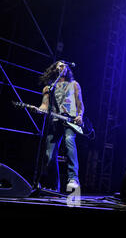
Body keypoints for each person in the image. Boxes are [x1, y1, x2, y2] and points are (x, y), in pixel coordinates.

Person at [35, 60, 84, 192]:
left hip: (70, 121)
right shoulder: (48, 88)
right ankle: (53, 185)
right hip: (54, 121)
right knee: (49, 154)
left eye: (65, 66)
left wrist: (80, 115)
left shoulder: (74, 84)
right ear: (55, 69)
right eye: (60, 65)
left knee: (69, 141)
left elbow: (80, 103)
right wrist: (40, 109)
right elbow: (44, 105)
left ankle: (73, 178)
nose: (63, 67)